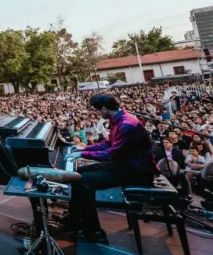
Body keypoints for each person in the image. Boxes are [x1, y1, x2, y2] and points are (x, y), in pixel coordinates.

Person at [65, 94, 158, 244]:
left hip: (137, 171)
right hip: (125, 164)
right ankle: (76, 220)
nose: (97, 114)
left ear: (104, 108)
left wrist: (83, 154)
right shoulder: (118, 119)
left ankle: (94, 232)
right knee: (78, 173)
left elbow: (112, 153)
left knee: (83, 182)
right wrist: (83, 148)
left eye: (97, 110)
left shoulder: (126, 125)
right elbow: (108, 144)